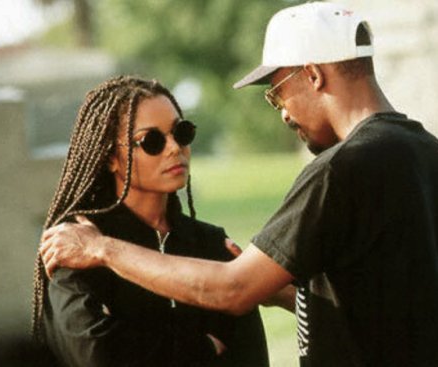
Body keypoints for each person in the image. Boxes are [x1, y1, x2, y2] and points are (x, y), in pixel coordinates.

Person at [40, 3, 438, 367]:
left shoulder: (341, 169)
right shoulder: (426, 152)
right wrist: (278, 291)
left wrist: (101, 248)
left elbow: (233, 290)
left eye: (277, 93)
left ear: (314, 75)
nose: (282, 113)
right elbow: (387, 298)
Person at [31, 76, 269, 367]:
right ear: (110, 158)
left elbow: (249, 355)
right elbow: (96, 354)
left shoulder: (210, 244)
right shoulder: (76, 245)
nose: (173, 148)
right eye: (151, 141)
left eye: (181, 132)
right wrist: (202, 349)